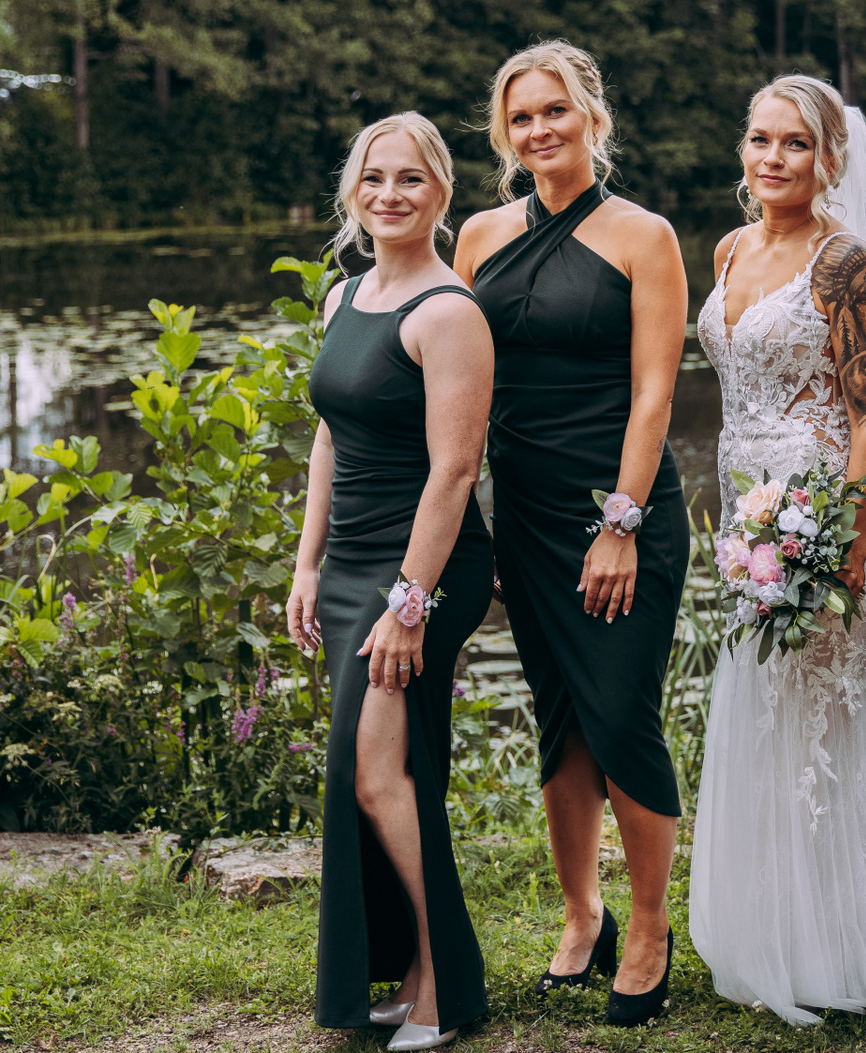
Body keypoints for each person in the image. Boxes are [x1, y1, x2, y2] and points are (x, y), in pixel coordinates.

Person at [688, 75, 866, 1042]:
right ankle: (788, 931)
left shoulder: (849, 266)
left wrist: (847, 555)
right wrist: (752, 527)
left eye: (795, 144)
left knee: (830, 714)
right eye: (760, 139)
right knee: (767, 707)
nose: (773, 158)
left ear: (829, 160)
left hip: (825, 518)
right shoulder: (730, 249)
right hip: (751, 518)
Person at [454, 41, 689, 1028]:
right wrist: (466, 527)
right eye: (522, 117)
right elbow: (460, 393)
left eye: (555, 110)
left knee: (621, 710)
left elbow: (654, 394)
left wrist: (621, 523)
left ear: (592, 115)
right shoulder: (477, 237)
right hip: (526, 515)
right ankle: (583, 914)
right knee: (561, 718)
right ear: (504, 134)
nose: (539, 129)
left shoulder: (644, 236)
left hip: (620, 512)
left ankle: (650, 925)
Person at [287, 113, 495, 1051]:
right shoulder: (346, 296)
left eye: (411, 179)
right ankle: (412, 970)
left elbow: (454, 473)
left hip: (426, 567)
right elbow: (331, 436)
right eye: (374, 178)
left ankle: (444, 985)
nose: (390, 195)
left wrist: (409, 605)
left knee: (378, 774)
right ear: (353, 191)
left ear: (441, 192)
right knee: (383, 770)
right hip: (351, 563)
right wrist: (307, 562)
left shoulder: (449, 314)